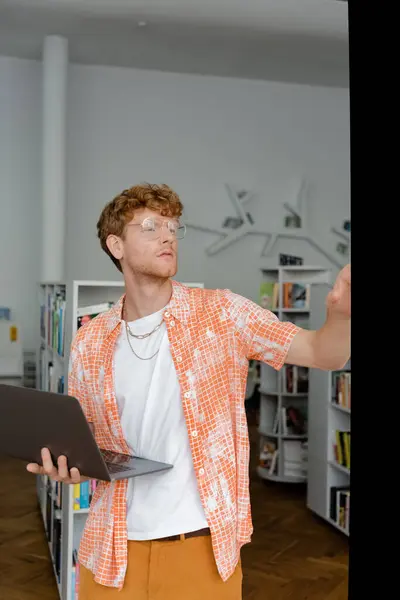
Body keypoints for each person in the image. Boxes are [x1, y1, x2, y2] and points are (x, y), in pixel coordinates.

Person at [27, 183, 351, 600]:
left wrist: (341, 318)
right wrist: (64, 465)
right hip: (110, 553)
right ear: (116, 245)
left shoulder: (223, 314)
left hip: (200, 553)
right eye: (150, 226)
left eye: (172, 226)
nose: (167, 235)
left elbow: (322, 353)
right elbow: (86, 442)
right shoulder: (90, 341)